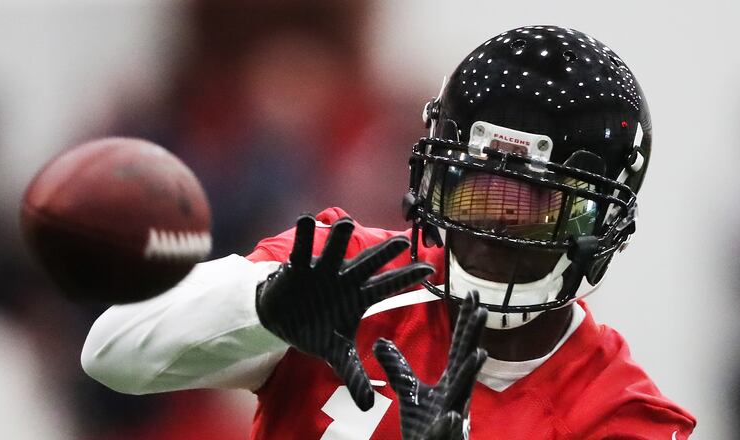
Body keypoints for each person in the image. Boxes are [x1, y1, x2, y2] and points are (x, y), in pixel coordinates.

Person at [81, 26, 697, 439]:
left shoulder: (621, 418)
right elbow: (111, 354)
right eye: (471, 188)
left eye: (526, 206)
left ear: (599, 223)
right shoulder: (350, 274)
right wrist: (261, 309)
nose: (488, 230)